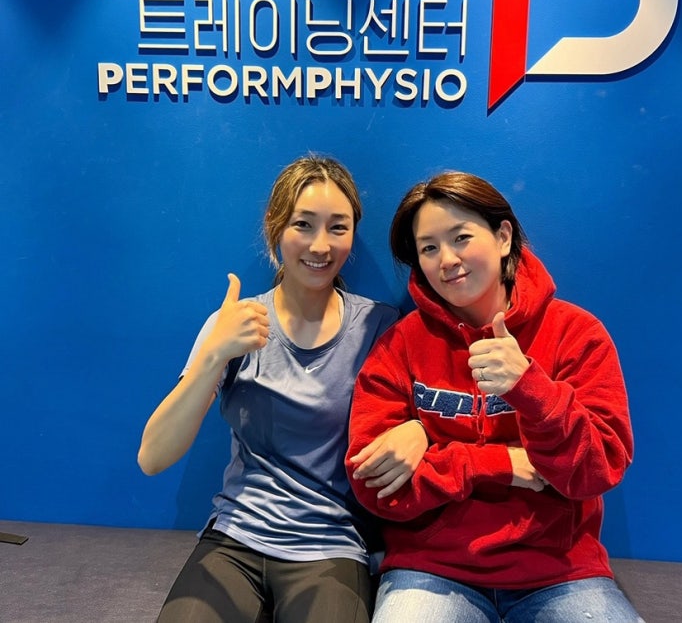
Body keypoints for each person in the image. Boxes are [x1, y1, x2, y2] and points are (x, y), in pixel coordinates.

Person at [138, 155, 426, 623]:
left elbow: (439, 413)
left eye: (337, 227)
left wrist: (421, 431)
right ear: (276, 228)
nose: (320, 245)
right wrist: (214, 356)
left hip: (331, 546)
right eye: (302, 224)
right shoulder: (233, 324)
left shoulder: (379, 327)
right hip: (236, 537)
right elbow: (152, 457)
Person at [346, 171, 645, 623]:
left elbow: (599, 468)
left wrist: (530, 388)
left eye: (461, 238)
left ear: (503, 237)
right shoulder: (400, 345)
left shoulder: (576, 334)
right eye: (429, 248)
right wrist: (498, 464)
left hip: (559, 573)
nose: (447, 260)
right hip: (432, 571)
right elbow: (375, 488)